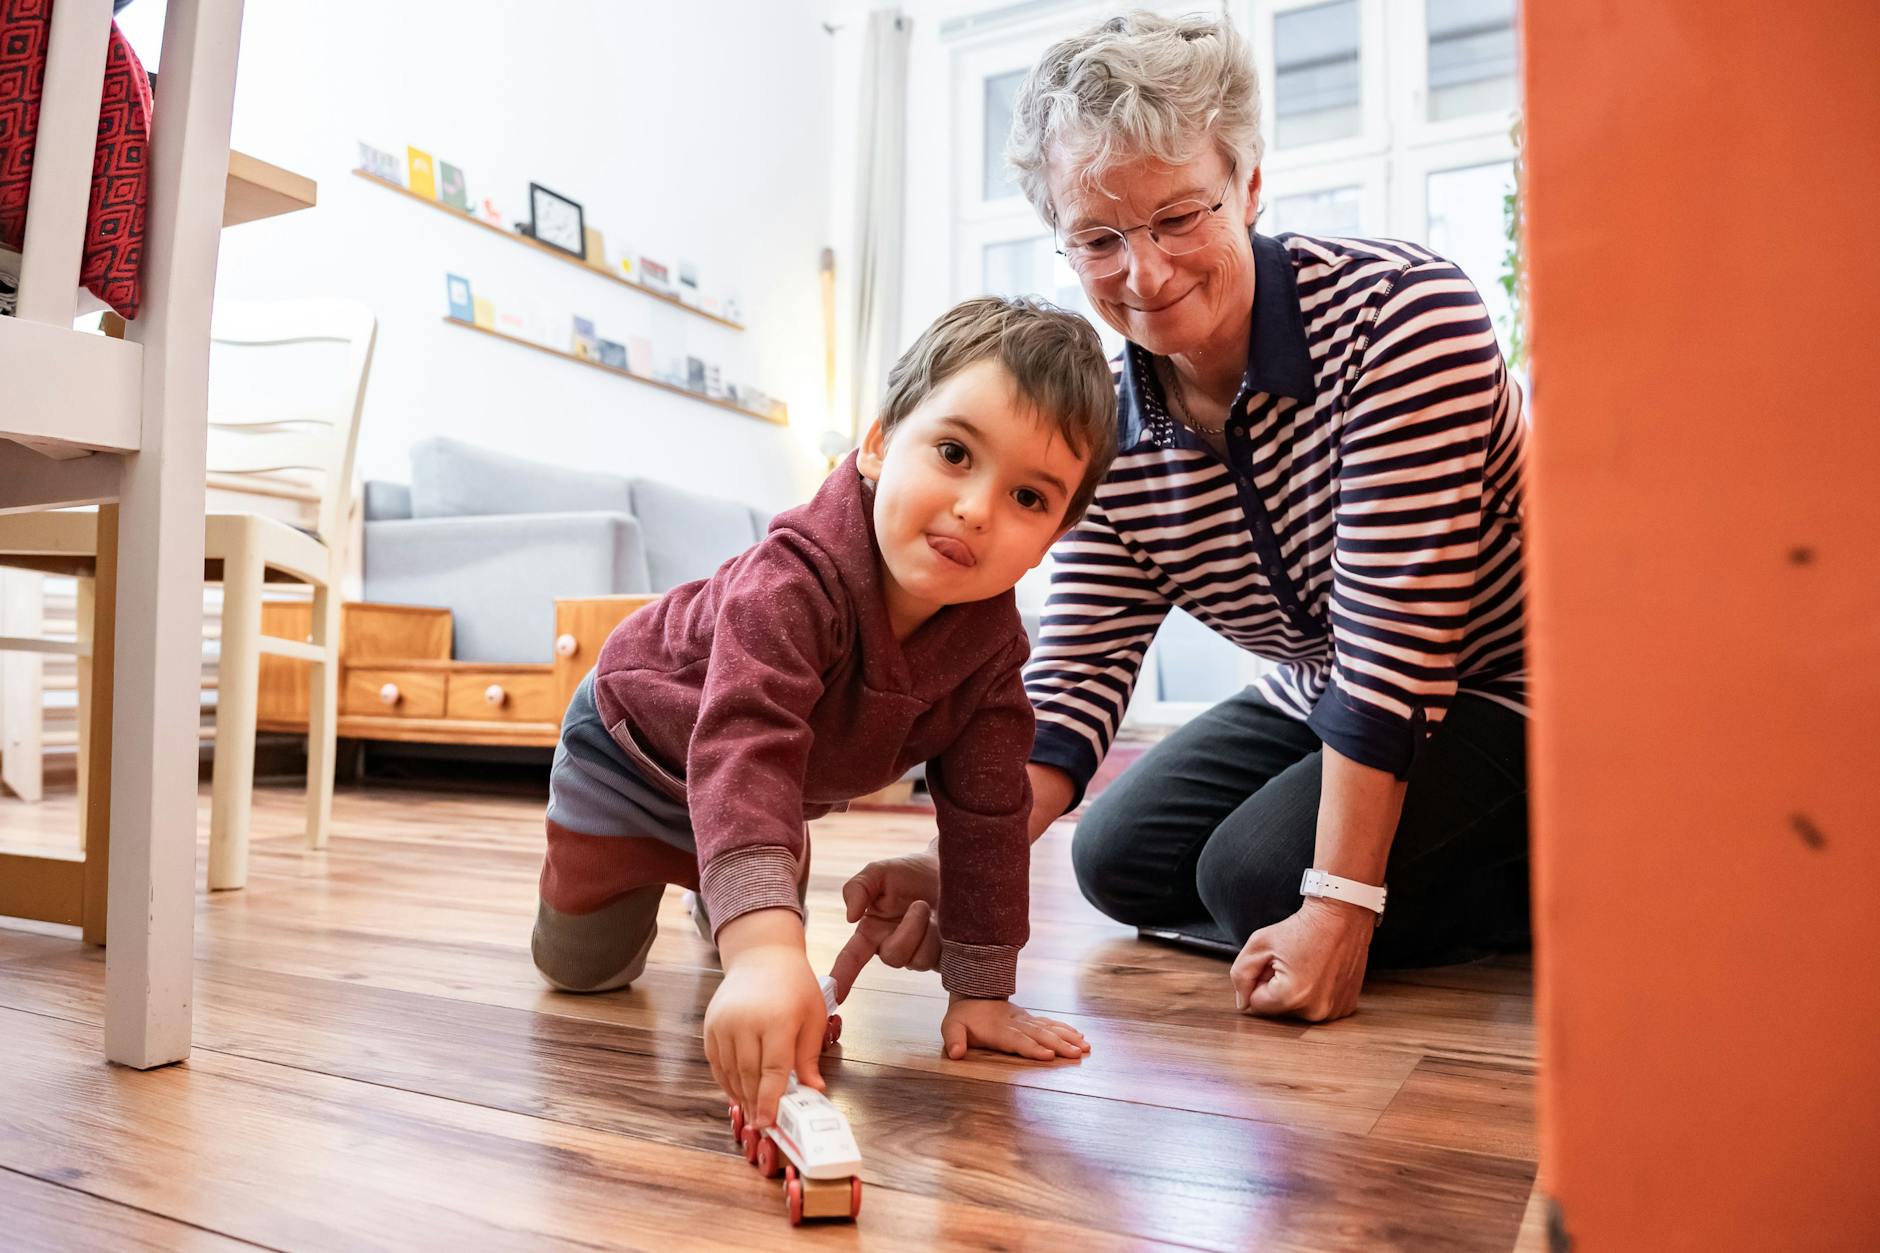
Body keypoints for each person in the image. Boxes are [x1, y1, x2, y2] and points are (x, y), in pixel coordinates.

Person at [833, 11, 1530, 1025]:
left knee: (1256, 880)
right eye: (1099, 238)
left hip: (1511, 683)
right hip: (1317, 687)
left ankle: (1559, 873)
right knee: (1112, 858)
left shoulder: (1401, 319)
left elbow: (1394, 650)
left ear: (1247, 185)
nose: (1144, 274)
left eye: (1177, 218)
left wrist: (1336, 906)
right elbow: (1073, 677)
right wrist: (958, 863)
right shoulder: (1104, 434)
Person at [530, 295, 1111, 1133]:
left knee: (751, 917)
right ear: (876, 444)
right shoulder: (791, 579)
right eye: (953, 453)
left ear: (1057, 533)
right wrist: (766, 952)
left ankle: (722, 891)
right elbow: (746, 745)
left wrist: (982, 989)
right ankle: (704, 896)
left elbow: (988, 814)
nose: (978, 508)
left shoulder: (993, 656)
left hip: (769, 798)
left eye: (1029, 497)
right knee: (584, 972)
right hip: (628, 754)